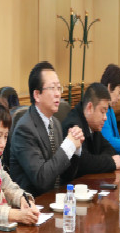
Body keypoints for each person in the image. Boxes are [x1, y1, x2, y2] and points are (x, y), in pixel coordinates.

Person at [10, 61, 84, 197]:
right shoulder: (24, 129)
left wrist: (75, 148)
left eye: (59, 88)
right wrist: (68, 145)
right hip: (33, 203)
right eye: (52, 88)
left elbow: (65, 176)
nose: (58, 94)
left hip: (55, 199)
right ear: (37, 95)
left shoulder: (55, 123)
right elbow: (42, 179)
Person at [62, 82, 120, 176]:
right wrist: (110, 162)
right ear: (89, 108)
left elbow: (110, 149)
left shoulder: (93, 125)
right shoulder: (73, 126)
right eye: (102, 112)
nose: (105, 117)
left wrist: (98, 161)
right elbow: (83, 163)